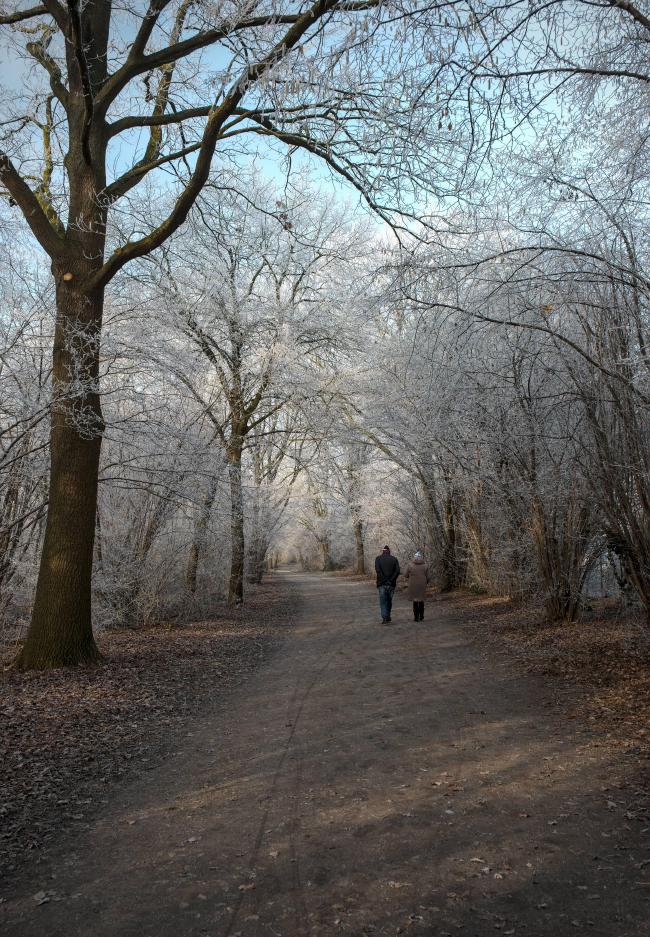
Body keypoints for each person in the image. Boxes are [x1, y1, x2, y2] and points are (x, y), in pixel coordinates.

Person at [374, 545, 400, 623]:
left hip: (381, 583)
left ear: (383, 551)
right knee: (389, 600)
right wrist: (391, 580)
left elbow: (378, 571)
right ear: (389, 551)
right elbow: (397, 571)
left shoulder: (378, 559)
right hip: (391, 584)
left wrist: (385, 580)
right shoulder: (394, 559)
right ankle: (387, 616)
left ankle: (385, 617)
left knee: (383, 601)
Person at [404, 550, 430, 621]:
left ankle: (416, 617)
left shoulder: (410, 565)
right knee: (421, 600)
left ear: (414, 557)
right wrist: (425, 582)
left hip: (413, 585)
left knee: (415, 601)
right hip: (422, 585)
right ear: (421, 557)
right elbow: (428, 577)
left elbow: (406, 575)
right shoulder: (425, 565)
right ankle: (421, 616)